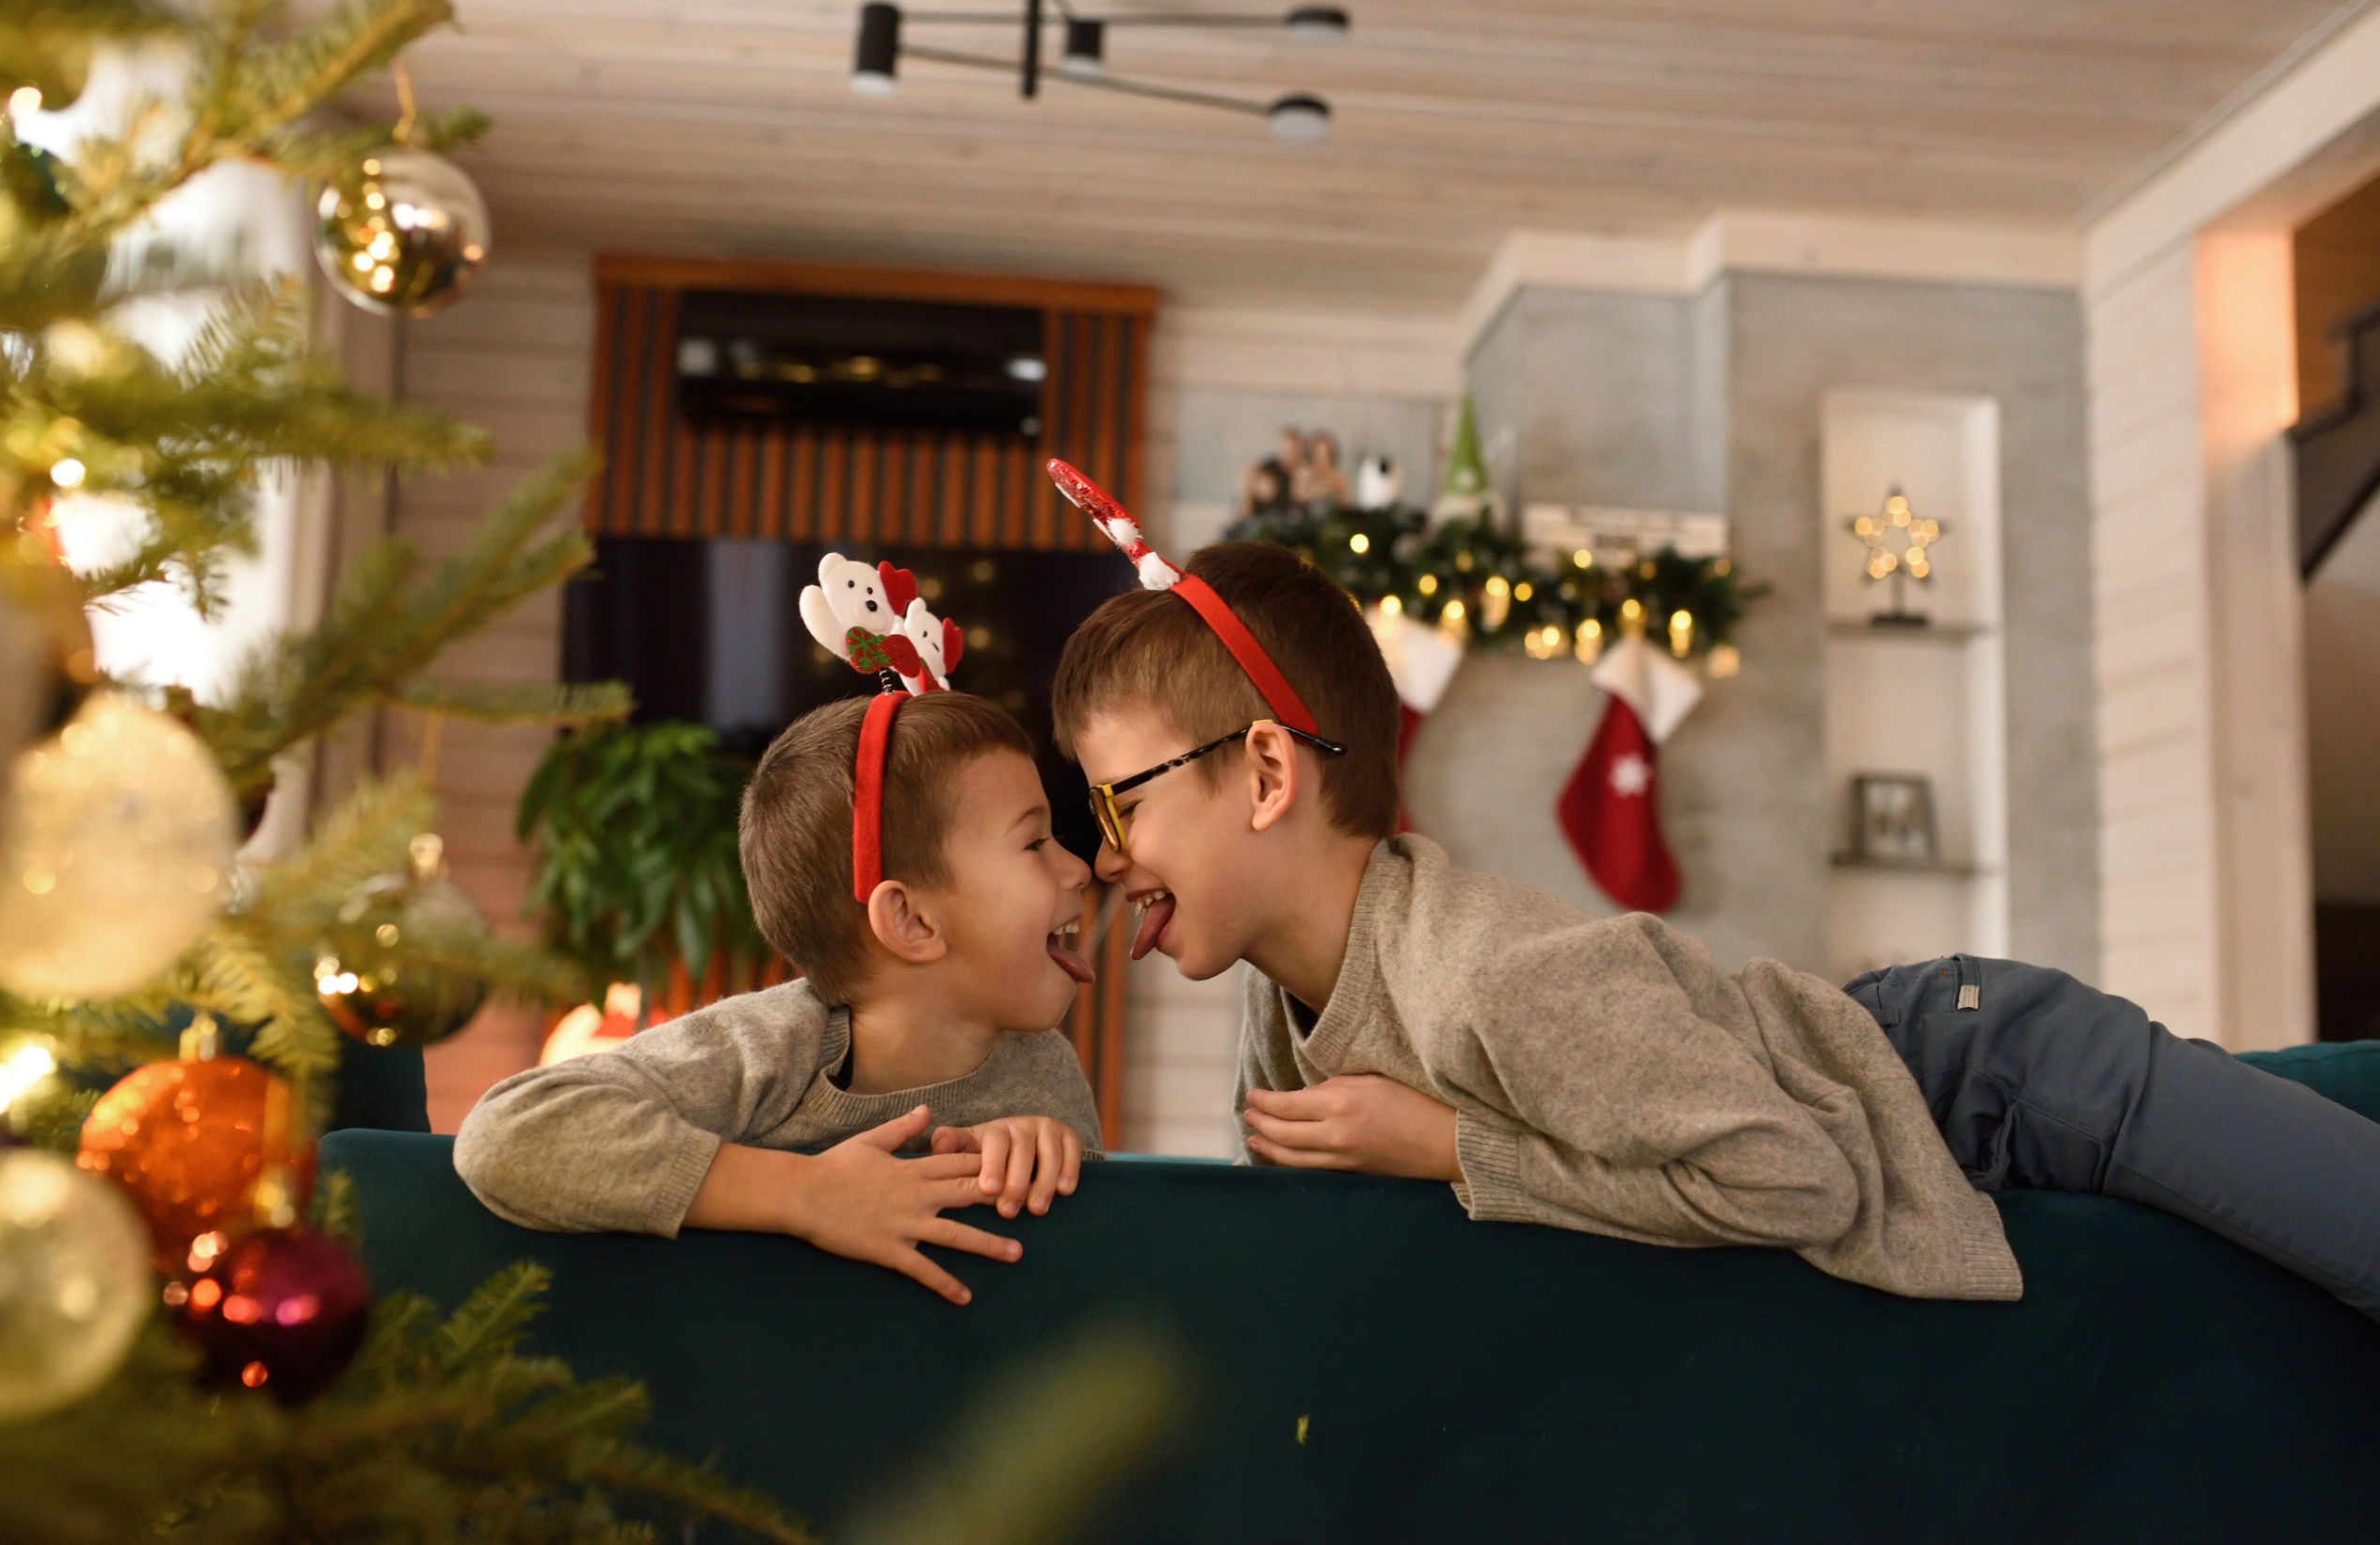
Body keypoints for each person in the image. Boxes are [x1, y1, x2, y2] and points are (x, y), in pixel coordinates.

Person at [1050, 534, 2380, 1320]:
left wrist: (1456, 1145)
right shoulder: (1284, 1024)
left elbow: (1800, 1178)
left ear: (1269, 776)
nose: (1104, 854)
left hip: (1986, 1071)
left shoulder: (1494, 984)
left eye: (1118, 797)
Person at [455, 691, 1104, 1306]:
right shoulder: (767, 1045)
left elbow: (1093, 1292)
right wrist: (808, 1192)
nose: (1081, 867)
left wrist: (1046, 1166)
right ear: (913, 921)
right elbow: (506, 1134)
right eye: (1034, 842)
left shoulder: (1044, 1074)